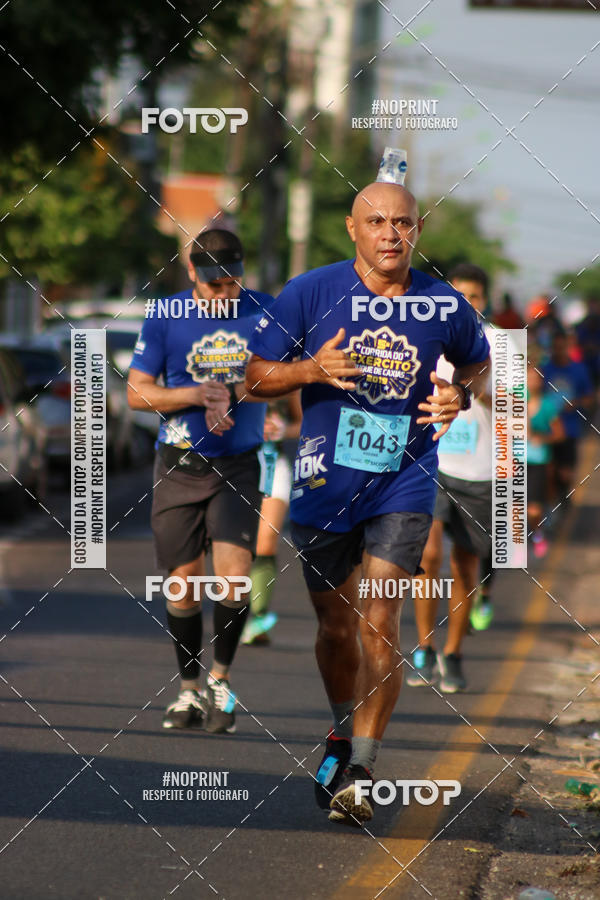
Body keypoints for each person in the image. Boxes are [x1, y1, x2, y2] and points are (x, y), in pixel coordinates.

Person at [245, 182, 490, 825]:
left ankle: (362, 764)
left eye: (403, 222)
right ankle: (340, 731)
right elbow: (253, 376)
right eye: (376, 221)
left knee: (379, 617)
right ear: (352, 230)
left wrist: (458, 395)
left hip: (403, 480)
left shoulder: (442, 302)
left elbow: (479, 361)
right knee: (334, 625)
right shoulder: (312, 292)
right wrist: (309, 372)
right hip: (325, 481)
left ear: (418, 231)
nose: (390, 233)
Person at [127, 229, 274, 734]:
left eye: (232, 282)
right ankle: (188, 689)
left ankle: (221, 679)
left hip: (237, 463)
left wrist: (234, 391)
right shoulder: (165, 315)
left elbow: (288, 374)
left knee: (233, 575)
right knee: (182, 588)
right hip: (178, 464)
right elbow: (135, 394)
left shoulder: (264, 311)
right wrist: (196, 395)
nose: (224, 293)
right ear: (193, 274)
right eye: (214, 285)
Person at [406, 263, 495, 694]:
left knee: (465, 567)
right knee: (429, 554)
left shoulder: (502, 346)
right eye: (458, 293)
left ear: (485, 300)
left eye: (473, 296)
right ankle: (423, 647)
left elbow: (518, 410)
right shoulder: (431, 334)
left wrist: (474, 388)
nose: (465, 302)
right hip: (432, 462)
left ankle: (454, 653)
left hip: (480, 471)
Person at [242, 392, 303, 645]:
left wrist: (282, 429)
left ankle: (259, 616)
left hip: (272, 464)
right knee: (238, 547)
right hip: (238, 464)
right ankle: (237, 613)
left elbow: (303, 423)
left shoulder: (287, 378)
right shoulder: (232, 366)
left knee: (265, 542)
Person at [542, 331, 593, 503]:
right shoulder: (545, 369)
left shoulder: (579, 369)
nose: (558, 350)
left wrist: (576, 403)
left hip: (570, 428)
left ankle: (564, 498)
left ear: (568, 348)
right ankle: (553, 502)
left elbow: (589, 397)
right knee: (550, 469)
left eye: (562, 347)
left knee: (566, 471)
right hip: (547, 428)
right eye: (555, 347)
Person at [526, 361, 565, 558]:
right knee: (513, 508)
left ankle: (538, 534)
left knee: (532, 510)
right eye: (528, 377)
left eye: (535, 378)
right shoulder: (515, 402)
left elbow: (559, 434)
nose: (531, 381)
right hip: (515, 460)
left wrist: (542, 438)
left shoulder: (548, 405)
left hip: (538, 460)